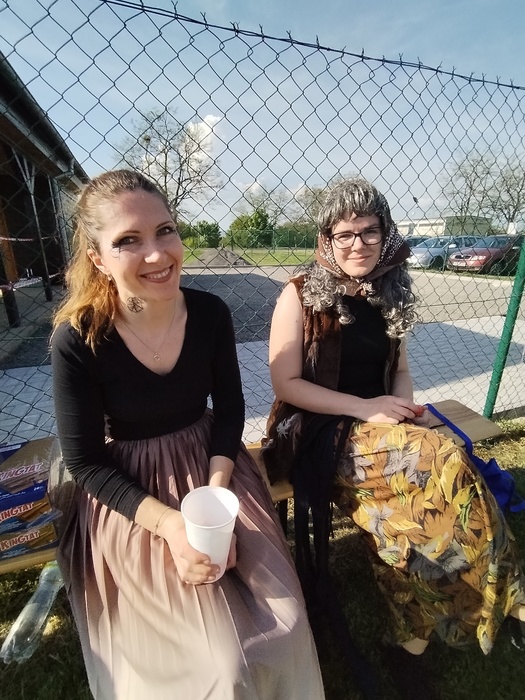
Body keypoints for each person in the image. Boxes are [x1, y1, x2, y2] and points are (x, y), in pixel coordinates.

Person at [50, 169, 324, 700]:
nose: (157, 254)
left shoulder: (209, 313)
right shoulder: (79, 338)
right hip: (129, 489)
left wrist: (217, 493)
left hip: (212, 462)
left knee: (286, 619)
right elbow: (84, 462)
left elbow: (230, 410)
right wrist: (174, 526)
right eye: (128, 240)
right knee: (217, 663)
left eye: (165, 230)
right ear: (98, 258)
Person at [264, 177, 525, 694]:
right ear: (326, 240)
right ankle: (514, 601)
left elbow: (400, 371)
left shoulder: (391, 290)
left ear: (385, 233)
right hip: (321, 432)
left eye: (369, 231)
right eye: (344, 234)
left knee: (408, 524)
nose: (357, 244)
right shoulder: (298, 294)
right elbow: (285, 384)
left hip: (385, 431)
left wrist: (402, 409)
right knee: (444, 460)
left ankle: (409, 643)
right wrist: (367, 408)